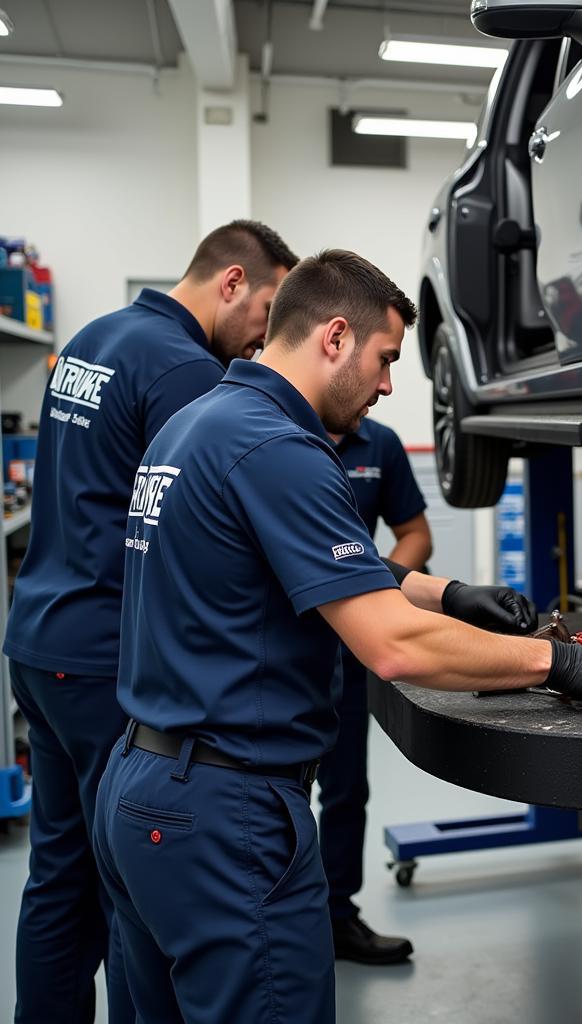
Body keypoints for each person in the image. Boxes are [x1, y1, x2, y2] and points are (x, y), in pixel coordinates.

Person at [92, 249, 582, 1023]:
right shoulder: (279, 449)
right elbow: (395, 646)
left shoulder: (195, 425)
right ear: (334, 337)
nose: (390, 385)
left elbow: (312, 566)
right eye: (386, 359)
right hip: (225, 818)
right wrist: (559, 663)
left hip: (140, 792)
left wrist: (450, 592)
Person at [3, 220, 298, 1024]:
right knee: (128, 885)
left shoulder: (97, 335)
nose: (268, 334)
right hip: (105, 659)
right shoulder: (183, 369)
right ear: (232, 281)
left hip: (38, 640)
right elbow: (207, 514)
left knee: (59, 871)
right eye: (269, 308)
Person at [324, 418, 432, 964]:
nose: (385, 385)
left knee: (345, 789)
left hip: (350, 648)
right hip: (277, 644)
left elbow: (415, 533)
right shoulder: (274, 429)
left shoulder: (381, 443)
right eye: (382, 362)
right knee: (270, 792)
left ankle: (337, 915)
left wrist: (376, 584)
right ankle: (281, 921)